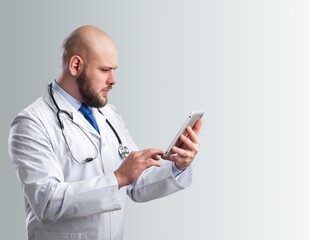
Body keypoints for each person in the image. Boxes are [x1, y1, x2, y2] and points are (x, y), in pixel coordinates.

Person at [8, 25, 203, 240]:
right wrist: (117, 178)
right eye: (104, 70)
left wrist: (177, 166)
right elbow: (47, 203)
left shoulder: (109, 115)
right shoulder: (31, 123)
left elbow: (136, 184)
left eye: (114, 70)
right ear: (75, 65)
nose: (113, 80)